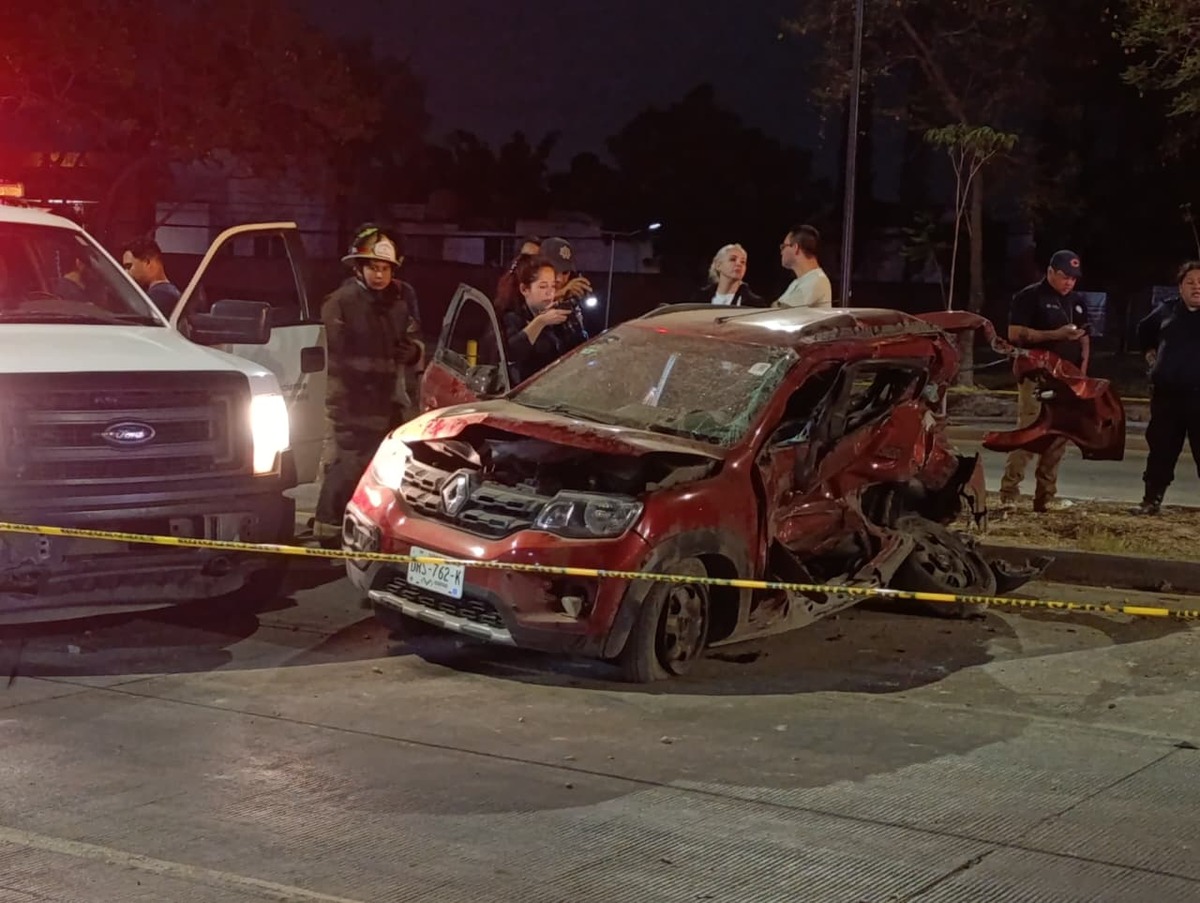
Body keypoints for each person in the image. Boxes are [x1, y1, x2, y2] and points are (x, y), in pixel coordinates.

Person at [312, 224, 422, 546]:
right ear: (358, 267)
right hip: (351, 401)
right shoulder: (340, 303)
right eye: (373, 267)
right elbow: (334, 357)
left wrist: (414, 351)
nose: (379, 275)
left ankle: (359, 526)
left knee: (378, 470)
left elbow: (414, 336)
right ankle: (327, 529)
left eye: (385, 268)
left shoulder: (399, 302)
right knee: (348, 464)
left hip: (387, 402)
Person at [999, 249, 1091, 513]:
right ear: (1050, 271)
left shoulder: (1077, 301)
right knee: (1029, 432)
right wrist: (1055, 334)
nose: (1069, 282)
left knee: (1058, 437)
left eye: (1074, 278)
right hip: (1037, 376)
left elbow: (1085, 337)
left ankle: (1045, 497)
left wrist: (1082, 373)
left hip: (1067, 379)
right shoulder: (1029, 297)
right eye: (1065, 276)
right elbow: (1015, 333)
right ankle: (1009, 493)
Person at [1132, 261, 1200, 515]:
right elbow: (1143, 330)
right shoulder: (1167, 310)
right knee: (1161, 449)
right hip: (1167, 398)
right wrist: (1151, 356)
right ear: (1180, 287)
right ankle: (1151, 500)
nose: (1197, 287)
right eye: (1190, 282)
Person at [501, 255, 587, 384]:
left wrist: (572, 323)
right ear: (524, 289)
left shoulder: (554, 316)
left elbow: (577, 350)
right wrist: (540, 322)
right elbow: (511, 354)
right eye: (542, 287)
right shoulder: (511, 318)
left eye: (552, 286)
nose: (550, 293)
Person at [120, 237, 181, 317]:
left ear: (147, 262)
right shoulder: (170, 293)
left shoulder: (159, 297)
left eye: (129, 266)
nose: (126, 272)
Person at [775, 225, 832, 309]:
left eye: (784, 246)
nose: (781, 252)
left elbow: (779, 312)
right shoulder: (800, 281)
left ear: (795, 247)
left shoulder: (815, 280)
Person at [692, 243, 764, 307]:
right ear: (718, 265)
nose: (739, 264)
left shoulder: (755, 304)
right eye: (733, 259)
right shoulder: (699, 299)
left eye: (743, 262)